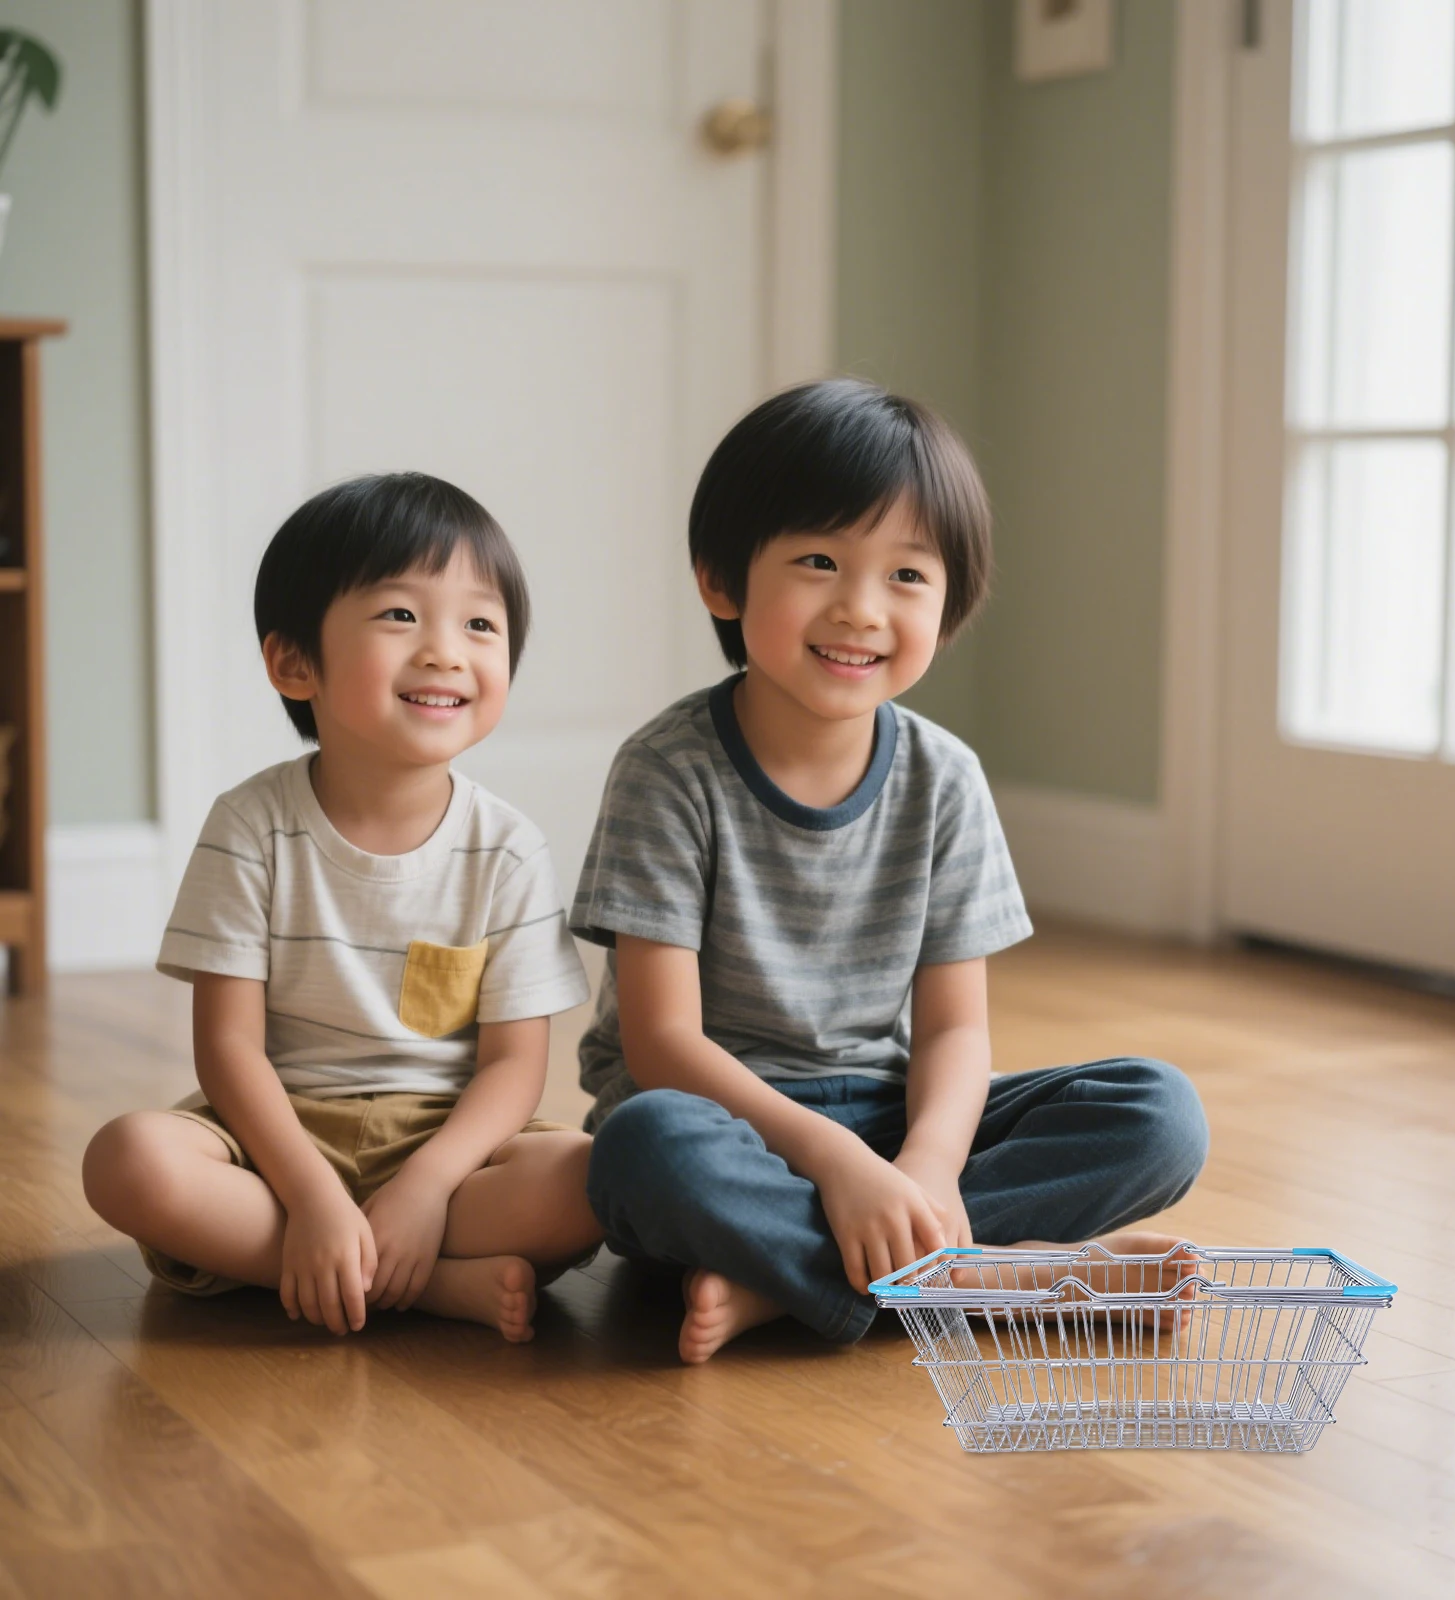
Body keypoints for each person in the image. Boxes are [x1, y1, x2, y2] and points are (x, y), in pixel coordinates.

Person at [571, 379, 1210, 1363]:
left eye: (906, 576)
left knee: (1158, 1112)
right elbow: (660, 1044)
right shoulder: (667, 770)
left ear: (950, 603)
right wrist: (832, 1164)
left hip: (887, 1109)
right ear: (720, 581)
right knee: (641, 1151)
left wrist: (927, 1164)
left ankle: (794, 1283)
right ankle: (998, 1281)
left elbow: (955, 1028)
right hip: (726, 1124)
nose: (860, 609)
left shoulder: (943, 778)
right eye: (819, 562)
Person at [83, 473, 601, 1342]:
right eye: (401, 616)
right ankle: (424, 1284)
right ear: (295, 663)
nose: (445, 651)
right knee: (129, 1162)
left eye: (479, 624)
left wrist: (429, 1186)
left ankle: (348, 1263)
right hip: (277, 1133)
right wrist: (315, 1196)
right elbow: (229, 1047)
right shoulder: (252, 825)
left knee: (593, 1176)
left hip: (447, 1141)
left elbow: (515, 1068)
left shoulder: (508, 847)